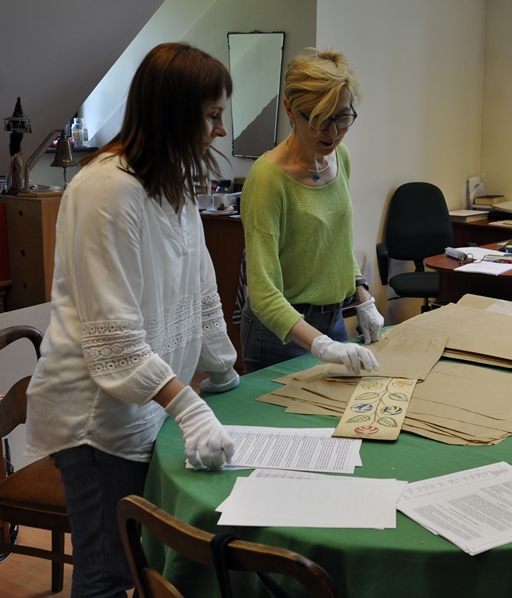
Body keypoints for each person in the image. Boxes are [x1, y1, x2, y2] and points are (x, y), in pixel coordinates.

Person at [25, 42, 240, 597]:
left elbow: (201, 290)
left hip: (147, 409)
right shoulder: (106, 190)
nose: (220, 130)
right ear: (174, 115)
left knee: (137, 561)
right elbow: (114, 340)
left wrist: (223, 370)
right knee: (107, 573)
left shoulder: (172, 184)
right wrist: (188, 406)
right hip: (99, 419)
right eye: (211, 116)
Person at [240, 47, 382, 375]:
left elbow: (337, 245)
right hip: (280, 334)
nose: (332, 133)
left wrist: (363, 296)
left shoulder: (340, 158)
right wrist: (321, 345)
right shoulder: (267, 179)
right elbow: (262, 293)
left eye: (342, 117)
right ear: (290, 109)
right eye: (319, 120)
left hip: (334, 322)